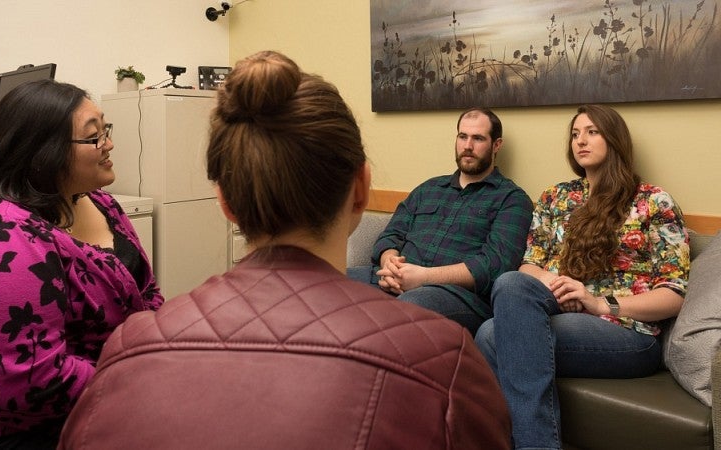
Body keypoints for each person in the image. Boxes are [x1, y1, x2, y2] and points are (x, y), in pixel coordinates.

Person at [58, 50, 511, 450]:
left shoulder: (127, 351)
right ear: (361, 189)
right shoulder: (445, 364)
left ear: (226, 202)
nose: (468, 145)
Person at [0, 79, 163, 449]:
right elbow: (30, 383)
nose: (109, 145)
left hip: (105, 394)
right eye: (93, 137)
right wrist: (137, 376)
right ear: (42, 152)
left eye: (106, 130)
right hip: (3, 429)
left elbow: (146, 294)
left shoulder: (100, 203)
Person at [474, 104, 690, 449]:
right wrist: (556, 285)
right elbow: (529, 265)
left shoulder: (652, 201)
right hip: (561, 308)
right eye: (575, 134)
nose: (580, 141)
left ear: (614, 139)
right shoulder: (555, 197)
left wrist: (596, 302)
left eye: (592, 132)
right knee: (509, 284)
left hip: (628, 332)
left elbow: (674, 292)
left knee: (490, 335)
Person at [347, 108, 533, 335]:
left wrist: (423, 278)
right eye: (462, 136)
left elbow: (494, 265)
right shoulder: (429, 189)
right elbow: (391, 235)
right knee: (329, 283)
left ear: (496, 145)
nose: (468, 146)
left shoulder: (512, 199)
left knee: (410, 305)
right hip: (393, 281)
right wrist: (391, 264)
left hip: (456, 297)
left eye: (478, 138)